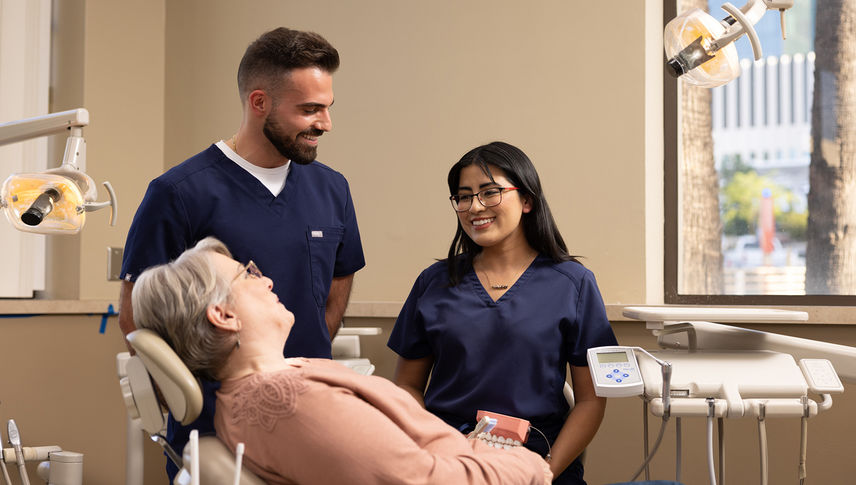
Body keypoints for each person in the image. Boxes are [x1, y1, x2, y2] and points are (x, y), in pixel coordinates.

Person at [117, 27, 364, 481]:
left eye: (327, 107)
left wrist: (295, 359)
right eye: (309, 109)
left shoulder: (332, 188)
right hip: (216, 428)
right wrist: (192, 394)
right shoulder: (179, 193)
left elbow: (335, 286)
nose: (324, 123)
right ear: (259, 102)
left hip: (312, 420)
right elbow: (136, 316)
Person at [131, 237, 553, 485]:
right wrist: (532, 466)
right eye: (250, 274)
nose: (268, 280)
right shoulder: (288, 403)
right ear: (223, 315)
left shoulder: (282, 380)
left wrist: (481, 450)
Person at [387, 141, 618, 485]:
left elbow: (589, 401)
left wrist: (545, 471)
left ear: (526, 200)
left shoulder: (573, 283)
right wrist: (438, 451)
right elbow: (406, 385)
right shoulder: (434, 283)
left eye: (490, 192)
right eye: (463, 196)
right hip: (451, 460)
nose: (474, 206)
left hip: (538, 459)